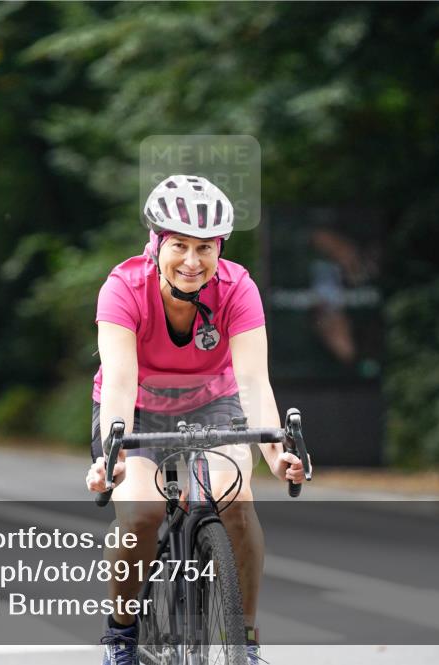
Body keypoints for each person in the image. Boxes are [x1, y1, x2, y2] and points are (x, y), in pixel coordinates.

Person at [85, 175, 307, 665]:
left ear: (219, 247)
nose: (192, 261)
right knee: (140, 515)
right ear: (156, 243)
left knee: (236, 506)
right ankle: (120, 636)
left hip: (212, 404)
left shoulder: (237, 288)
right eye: (179, 245)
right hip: (137, 409)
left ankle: (243, 643)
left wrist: (276, 454)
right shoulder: (122, 288)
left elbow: (252, 382)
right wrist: (111, 456)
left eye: (205, 247)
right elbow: (119, 381)